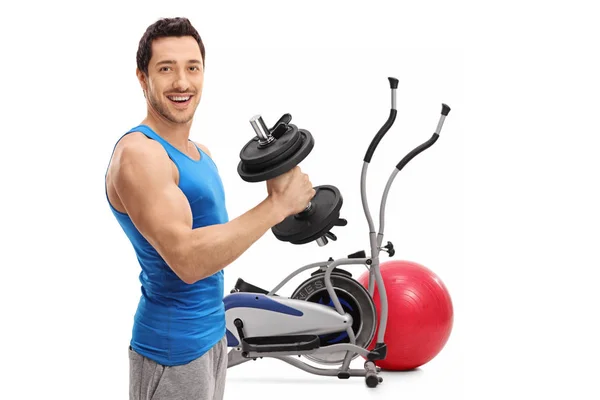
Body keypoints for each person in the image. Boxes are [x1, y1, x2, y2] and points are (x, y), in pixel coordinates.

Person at [104, 17, 315, 400]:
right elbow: (187, 261)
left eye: (192, 68)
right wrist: (276, 206)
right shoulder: (140, 154)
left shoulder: (202, 156)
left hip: (211, 337)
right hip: (172, 351)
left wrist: (279, 194)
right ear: (142, 77)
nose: (182, 82)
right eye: (165, 69)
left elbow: (215, 241)